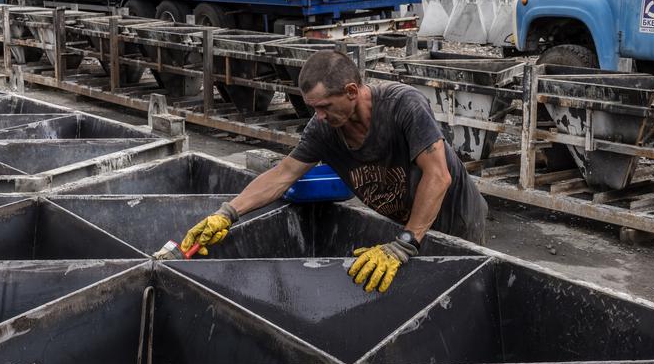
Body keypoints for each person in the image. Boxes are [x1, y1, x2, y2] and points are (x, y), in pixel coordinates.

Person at [176, 50, 488, 294]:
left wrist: (405, 242)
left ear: (351, 91)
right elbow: (283, 174)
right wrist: (227, 213)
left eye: (324, 106)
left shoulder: (402, 105)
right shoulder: (325, 129)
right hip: (406, 228)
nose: (319, 116)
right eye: (314, 108)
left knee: (456, 292)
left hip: (455, 221)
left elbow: (438, 176)